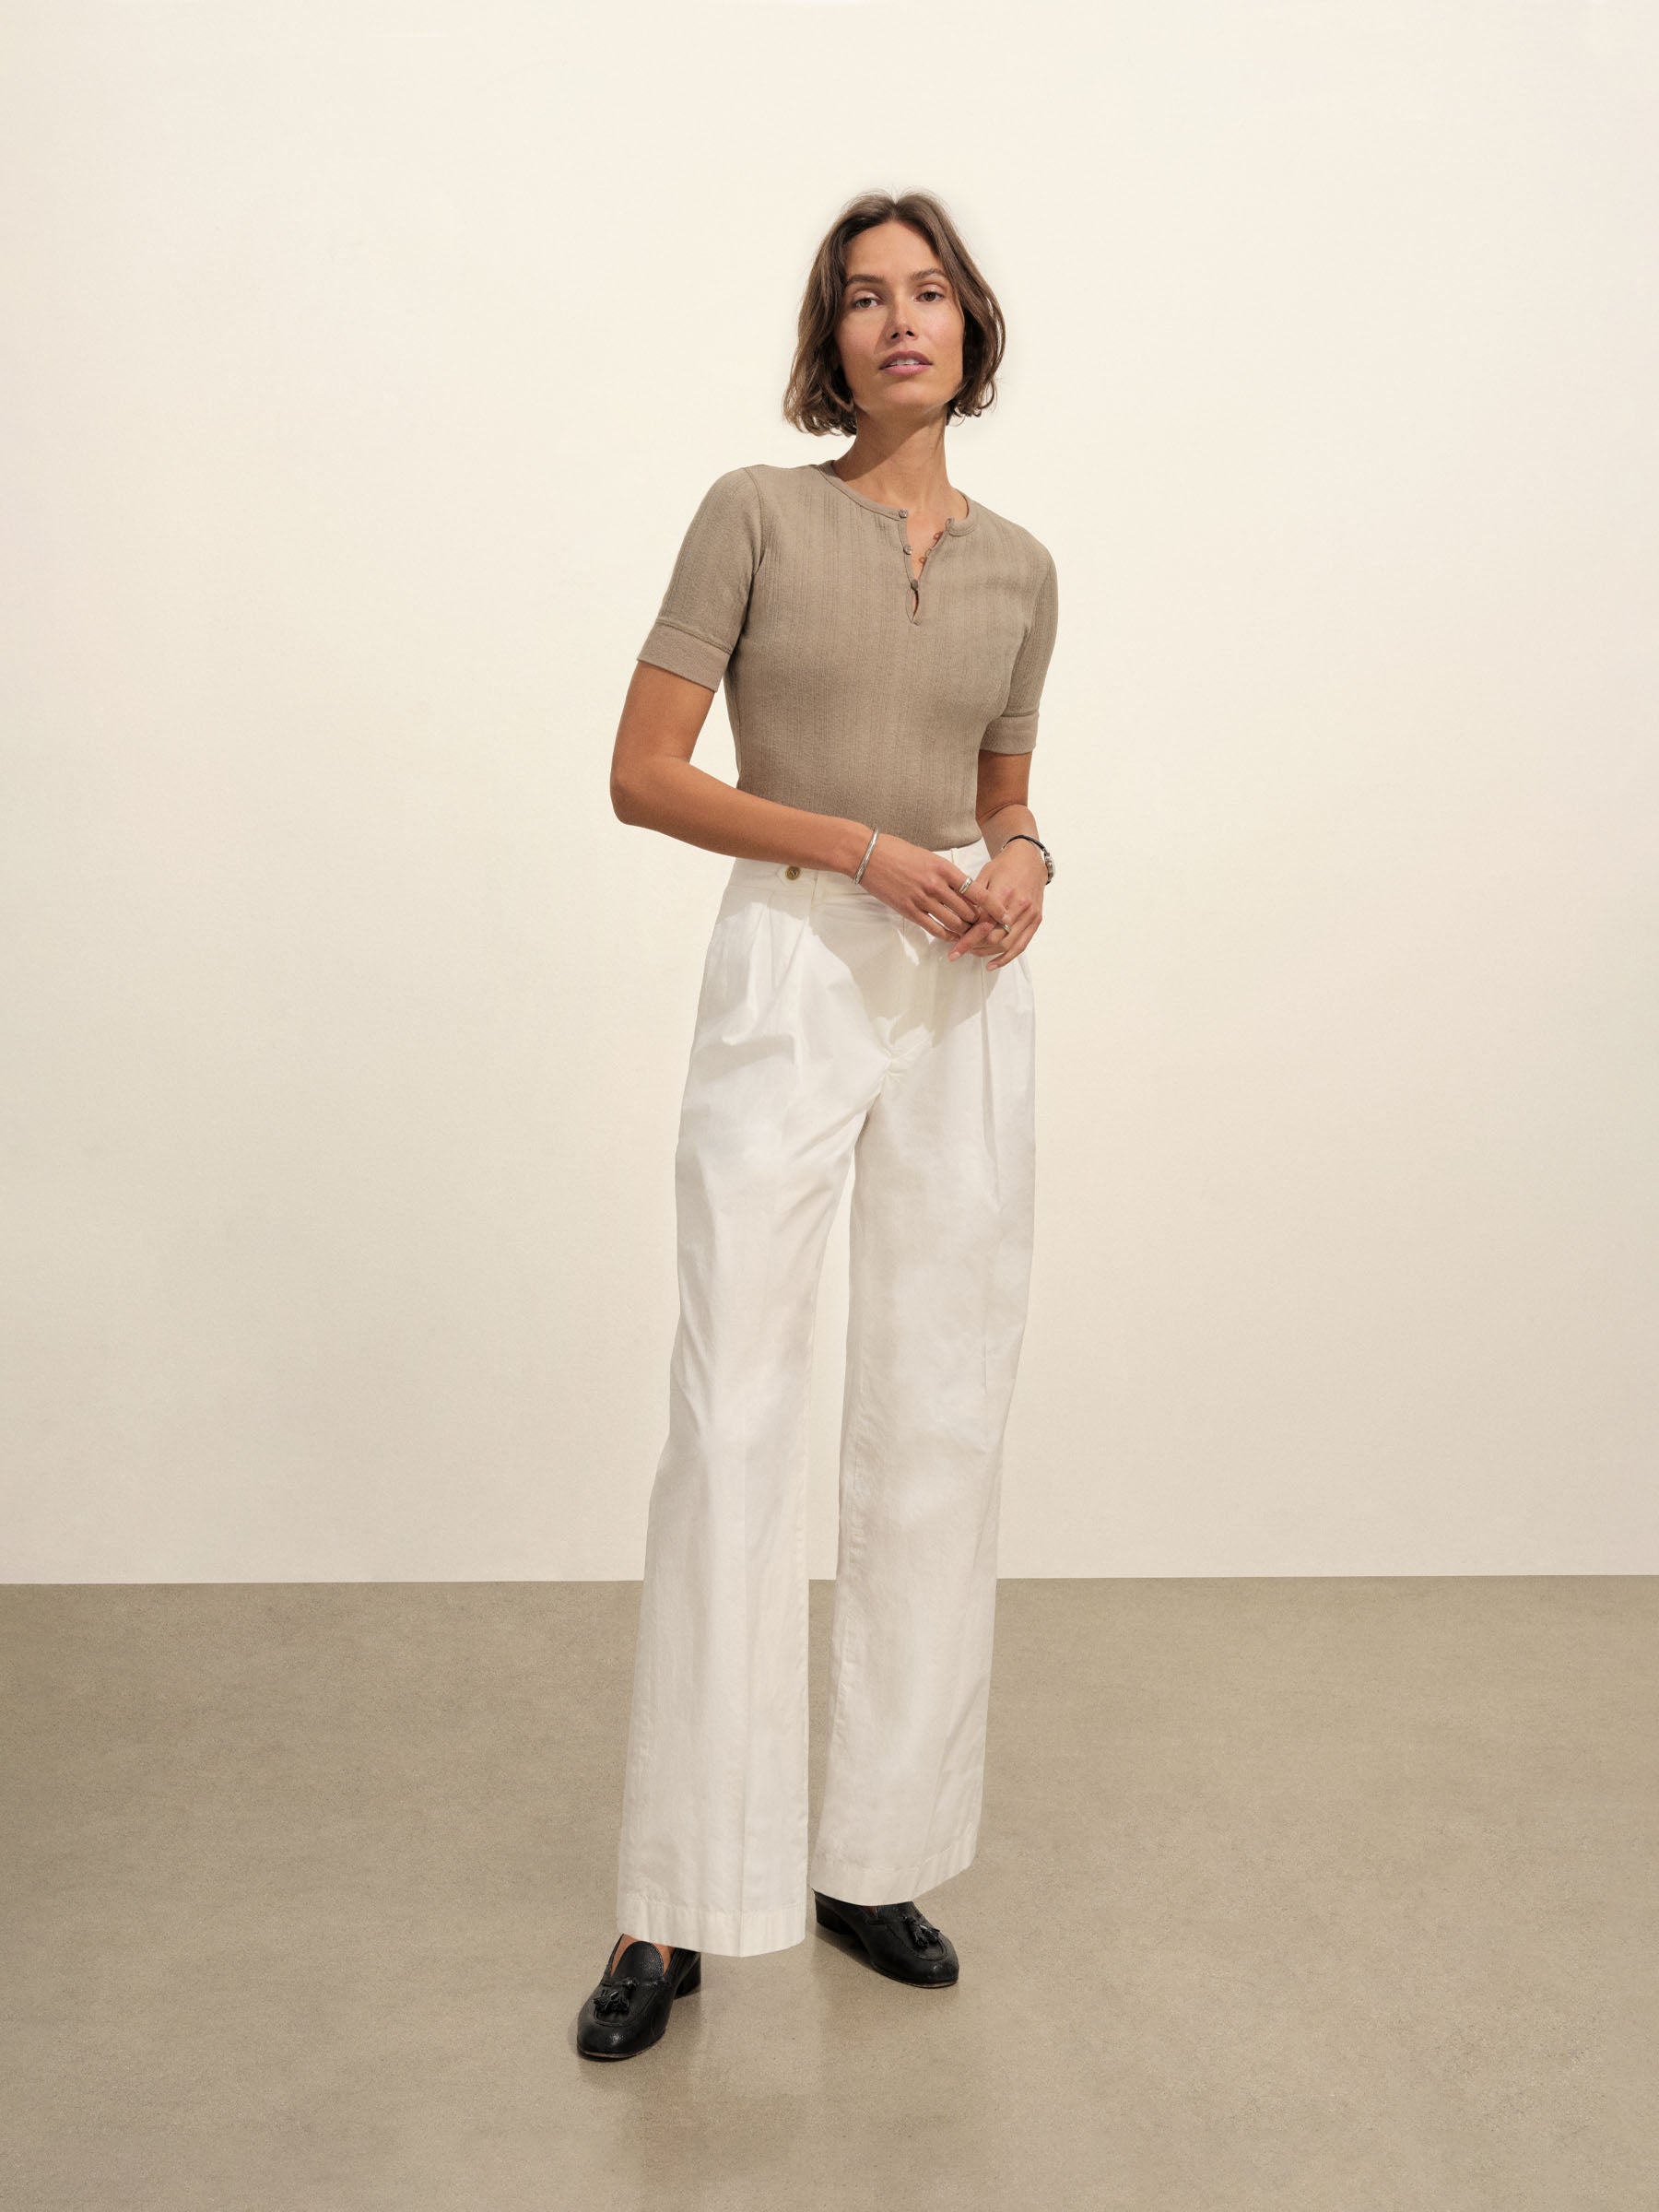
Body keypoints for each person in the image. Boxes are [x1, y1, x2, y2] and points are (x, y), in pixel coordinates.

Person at [576, 188, 1059, 2060]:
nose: (899, 319)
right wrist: (859, 849)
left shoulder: (1024, 568)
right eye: (864, 297)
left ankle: (875, 1853)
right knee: (734, 1414)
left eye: (929, 291)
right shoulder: (756, 513)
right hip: (794, 953)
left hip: (962, 980)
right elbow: (643, 775)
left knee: (939, 1406)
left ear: (972, 328)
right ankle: (677, 1900)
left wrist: (1024, 859)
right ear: (830, 340)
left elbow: (1004, 790)